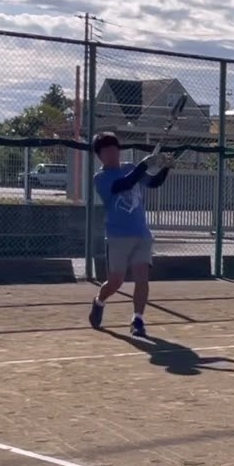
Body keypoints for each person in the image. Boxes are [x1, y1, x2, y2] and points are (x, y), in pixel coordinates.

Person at [88, 132, 171, 337]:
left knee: (142, 278)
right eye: (106, 151)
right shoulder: (101, 178)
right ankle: (99, 301)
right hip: (118, 236)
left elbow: (152, 182)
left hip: (141, 233)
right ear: (99, 156)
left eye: (114, 149)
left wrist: (166, 167)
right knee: (115, 282)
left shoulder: (129, 168)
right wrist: (145, 164)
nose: (112, 154)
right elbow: (124, 184)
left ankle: (138, 320)